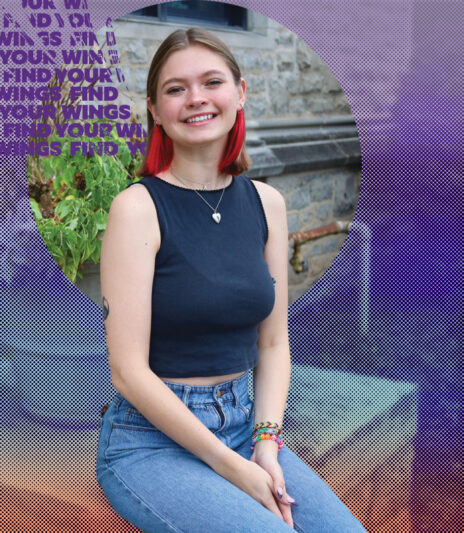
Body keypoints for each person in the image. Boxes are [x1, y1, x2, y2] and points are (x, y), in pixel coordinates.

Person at [95, 28, 366, 532]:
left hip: (245, 426)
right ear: (155, 109)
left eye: (211, 82)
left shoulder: (267, 204)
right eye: (176, 89)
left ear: (239, 92)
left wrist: (265, 443)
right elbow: (127, 372)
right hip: (151, 441)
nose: (195, 98)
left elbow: (273, 343)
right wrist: (234, 469)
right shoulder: (137, 209)